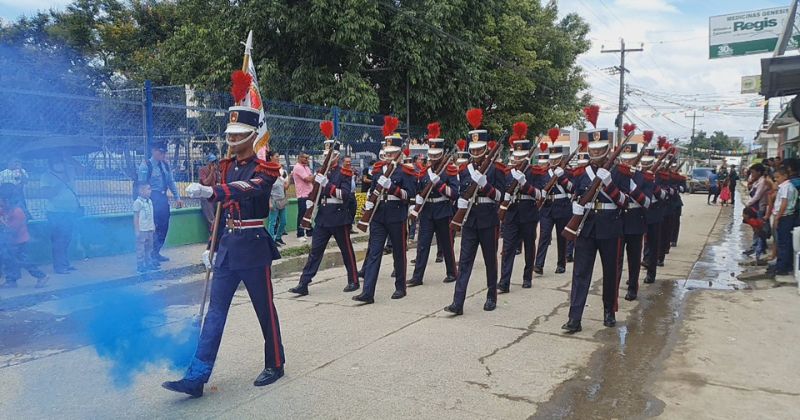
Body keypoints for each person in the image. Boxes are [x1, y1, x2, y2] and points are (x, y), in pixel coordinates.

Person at [163, 103, 284, 398]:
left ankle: (276, 363)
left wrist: (213, 191)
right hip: (228, 248)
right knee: (215, 313)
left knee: (264, 311)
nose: (232, 138)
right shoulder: (226, 167)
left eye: (239, 133)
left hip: (254, 247)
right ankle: (197, 377)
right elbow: (221, 214)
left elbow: (248, 188)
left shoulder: (265, 169)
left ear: (252, 135)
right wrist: (211, 247)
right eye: (230, 133)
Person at [562, 119, 630, 334]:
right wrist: (576, 208)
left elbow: (626, 202)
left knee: (610, 272)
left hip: (610, 226)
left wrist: (609, 185)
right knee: (580, 273)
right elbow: (574, 193)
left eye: (600, 148)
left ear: (608, 149)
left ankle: (609, 311)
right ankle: (575, 318)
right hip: (586, 226)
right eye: (593, 148)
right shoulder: (581, 173)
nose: (596, 152)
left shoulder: (620, 172)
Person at [444, 108, 506, 315]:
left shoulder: (496, 169)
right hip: (470, 220)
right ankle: (457, 302)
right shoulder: (464, 169)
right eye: (474, 149)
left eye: (480, 149)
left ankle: (491, 296)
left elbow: (501, 197)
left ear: (486, 149)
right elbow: (461, 191)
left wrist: (486, 186)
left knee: (490, 260)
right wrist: (461, 202)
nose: (477, 153)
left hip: (488, 219)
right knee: (465, 262)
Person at [289, 124, 360, 296]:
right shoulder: (322, 172)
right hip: (322, 216)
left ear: (335, 157)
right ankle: (304, 283)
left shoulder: (344, 173)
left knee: (346, 250)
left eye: (328, 155)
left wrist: (326, 185)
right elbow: (316, 192)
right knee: (315, 251)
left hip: (338, 216)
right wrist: (311, 203)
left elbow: (345, 195)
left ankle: (354, 280)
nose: (324, 158)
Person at [353, 118, 417, 304]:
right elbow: (373, 190)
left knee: (398, 252)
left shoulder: (406, 171)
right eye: (387, 152)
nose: (389, 155)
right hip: (379, 215)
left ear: (399, 152)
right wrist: (369, 205)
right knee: (374, 251)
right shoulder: (378, 169)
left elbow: (409, 195)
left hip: (396, 215)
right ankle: (368, 292)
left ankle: (400, 287)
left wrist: (392, 188)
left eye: (392, 152)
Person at [407, 123, 459, 287]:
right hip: (428, 211)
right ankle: (417, 276)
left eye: (437, 154)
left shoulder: (449, 170)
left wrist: (440, 185)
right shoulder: (424, 171)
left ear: (442, 153)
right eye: (432, 154)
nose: (434, 157)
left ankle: (451, 272)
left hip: (443, 210)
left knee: (446, 244)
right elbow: (418, 188)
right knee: (422, 244)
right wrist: (417, 200)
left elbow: (455, 194)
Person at [498, 123, 545, 293]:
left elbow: (541, 195)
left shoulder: (535, 172)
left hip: (528, 214)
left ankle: (527, 277)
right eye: (515, 156)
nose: (517, 159)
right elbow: (502, 191)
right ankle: (504, 281)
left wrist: (525, 184)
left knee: (529, 247)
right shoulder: (506, 172)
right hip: (511, 214)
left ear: (526, 156)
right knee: (507, 248)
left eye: (520, 156)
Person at [616, 142, 652, 301]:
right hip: (617, 220)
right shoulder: (615, 175)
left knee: (634, 258)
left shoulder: (643, 177)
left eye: (630, 159)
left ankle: (632, 288)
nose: (627, 162)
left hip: (635, 220)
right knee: (616, 260)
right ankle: (613, 287)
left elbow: (647, 202)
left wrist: (632, 187)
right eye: (625, 159)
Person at [534, 135, 574, 275]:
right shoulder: (544, 173)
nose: (554, 161)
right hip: (547, 207)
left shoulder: (567, 172)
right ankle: (539, 264)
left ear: (562, 158)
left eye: (557, 159)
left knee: (562, 237)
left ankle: (561, 264)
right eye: (553, 158)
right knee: (544, 235)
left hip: (562, 206)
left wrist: (562, 177)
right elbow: (540, 188)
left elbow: (572, 189)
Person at [138, 142, 184, 262]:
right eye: (160, 152)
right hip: (151, 199)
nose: (162, 154)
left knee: (163, 227)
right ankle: (147, 257)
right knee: (151, 229)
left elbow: (171, 182)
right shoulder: (146, 166)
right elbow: (141, 186)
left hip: (163, 199)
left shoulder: (165, 165)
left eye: (164, 152)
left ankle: (156, 252)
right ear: (153, 151)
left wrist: (177, 197)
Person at [40, 154, 82, 274]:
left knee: (67, 239)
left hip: (71, 211)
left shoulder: (69, 170)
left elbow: (82, 169)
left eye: (60, 161)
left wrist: (70, 158)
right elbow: (46, 194)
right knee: (58, 240)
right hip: (55, 213)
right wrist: (60, 183)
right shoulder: (46, 176)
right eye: (56, 162)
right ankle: (59, 267)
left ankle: (65, 263)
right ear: (51, 163)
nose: (59, 164)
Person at [0, 183, 47, 288]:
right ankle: (11, 280)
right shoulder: (5, 209)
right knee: (8, 260)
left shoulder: (17, 212)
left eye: (1, 199)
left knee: (23, 261)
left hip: (19, 242)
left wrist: (2, 222)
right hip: (9, 241)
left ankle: (41, 276)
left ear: (8, 200)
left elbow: (11, 230)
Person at [768, 167, 796, 276]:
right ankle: (784, 265)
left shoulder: (786, 187)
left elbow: (784, 203)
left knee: (783, 243)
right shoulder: (787, 186)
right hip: (786, 216)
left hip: (785, 217)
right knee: (785, 242)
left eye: (778, 177)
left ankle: (782, 267)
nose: (776, 180)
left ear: (785, 176)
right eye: (775, 178)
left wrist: (777, 217)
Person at [745, 163, 771, 262]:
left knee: (759, 230)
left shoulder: (763, 182)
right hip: (756, 207)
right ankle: (756, 248)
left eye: (753, 172)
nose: (752, 174)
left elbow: (757, 196)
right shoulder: (757, 181)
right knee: (756, 229)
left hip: (761, 208)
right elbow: (751, 191)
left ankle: (759, 250)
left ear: (759, 172)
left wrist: (748, 204)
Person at [133, 182, 157, 273]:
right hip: (142, 229)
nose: (150, 191)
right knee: (141, 248)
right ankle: (140, 265)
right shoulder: (137, 202)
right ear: (141, 191)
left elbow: (151, 215)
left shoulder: (149, 201)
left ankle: (149, 263)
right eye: (148, 189)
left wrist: (153, 225)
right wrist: (137, 230)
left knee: (149, 247)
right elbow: (136, 217)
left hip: (149, 228)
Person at [267, 151, 289, 246]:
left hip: (281, 199)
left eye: (278, 156)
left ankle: (278, 237)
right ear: (271, 157)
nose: (278, 158)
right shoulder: (268, 170)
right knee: (273, 222)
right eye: (276, 156)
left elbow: (285, 185)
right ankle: (271, 240)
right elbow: (267, 189)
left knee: (283, 221)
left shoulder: (281, 170)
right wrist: (269, 202)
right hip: (274, 199)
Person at [292, 152, 314, 241]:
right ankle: (300, 234)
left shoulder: (306, 167)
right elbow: (308, 179)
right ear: (299, 158)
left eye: (307, 158)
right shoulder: (298, 167)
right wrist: (317, 175)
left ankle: (309, 231)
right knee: (302, 215)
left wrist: (313, 177)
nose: (306, 160)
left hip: (309, 194)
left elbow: (311, 179)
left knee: (308, 214)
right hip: (302, 195)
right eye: (305, 158)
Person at [198, 154, 220, 232]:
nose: (214, 164)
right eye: (212, 162)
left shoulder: (215, 171)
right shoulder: (202, 170)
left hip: (214, 195)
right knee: (211, 219)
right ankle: (212, 237)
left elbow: (218, 182)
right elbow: (206, 182)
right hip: (205, 197)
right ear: (208, 162)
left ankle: (217, 236)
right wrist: (211, 172)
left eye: (215, 162)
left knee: (219, 217)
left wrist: (217, 173)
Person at [343, 156, 357, 231]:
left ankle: (350, 226)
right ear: (343, 162)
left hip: (352, 193)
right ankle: (345, 227)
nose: (348, 163)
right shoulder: (341, 171)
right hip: (345, 193)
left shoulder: (352, 170)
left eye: (349, 161)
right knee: (345, 210)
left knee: (353, 210)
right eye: (347, 161)